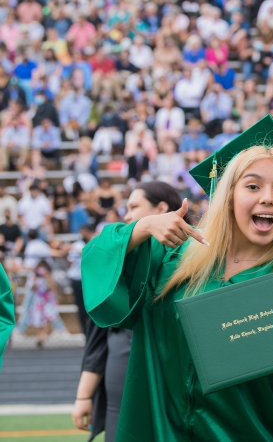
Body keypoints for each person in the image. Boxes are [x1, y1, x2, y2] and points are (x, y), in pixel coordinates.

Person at [80, 116, 273, 441]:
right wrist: (142, 227)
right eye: (253, 185)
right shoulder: (171, 263)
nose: (268, 198)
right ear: (227, 195)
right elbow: (97, 266)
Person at [73, 182, 182, 442]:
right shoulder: (121, 263)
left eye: (134, 207)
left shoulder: (188, 257)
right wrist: (84, 395)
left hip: (171, 387)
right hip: (118, 396)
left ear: (162, 208)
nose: (127, 215)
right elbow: (100, 337)